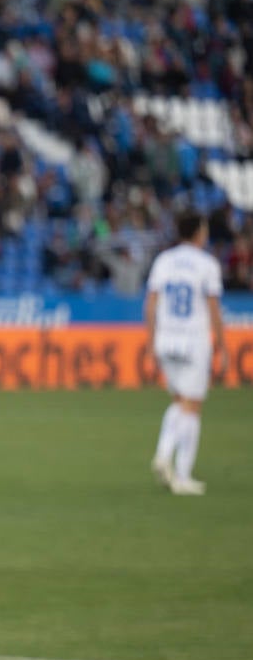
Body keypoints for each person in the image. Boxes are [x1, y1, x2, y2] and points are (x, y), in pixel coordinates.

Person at [146, 210, 226, 496]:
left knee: (180, 401)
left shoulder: (164, 261)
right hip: (193, 340)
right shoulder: (207, 265)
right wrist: (222, 346)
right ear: (199, 232)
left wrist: (150, 341)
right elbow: (214, 309)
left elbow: (151, 303)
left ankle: (171, 464)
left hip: (166, 338)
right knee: (192, 407)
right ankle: (175, 468)